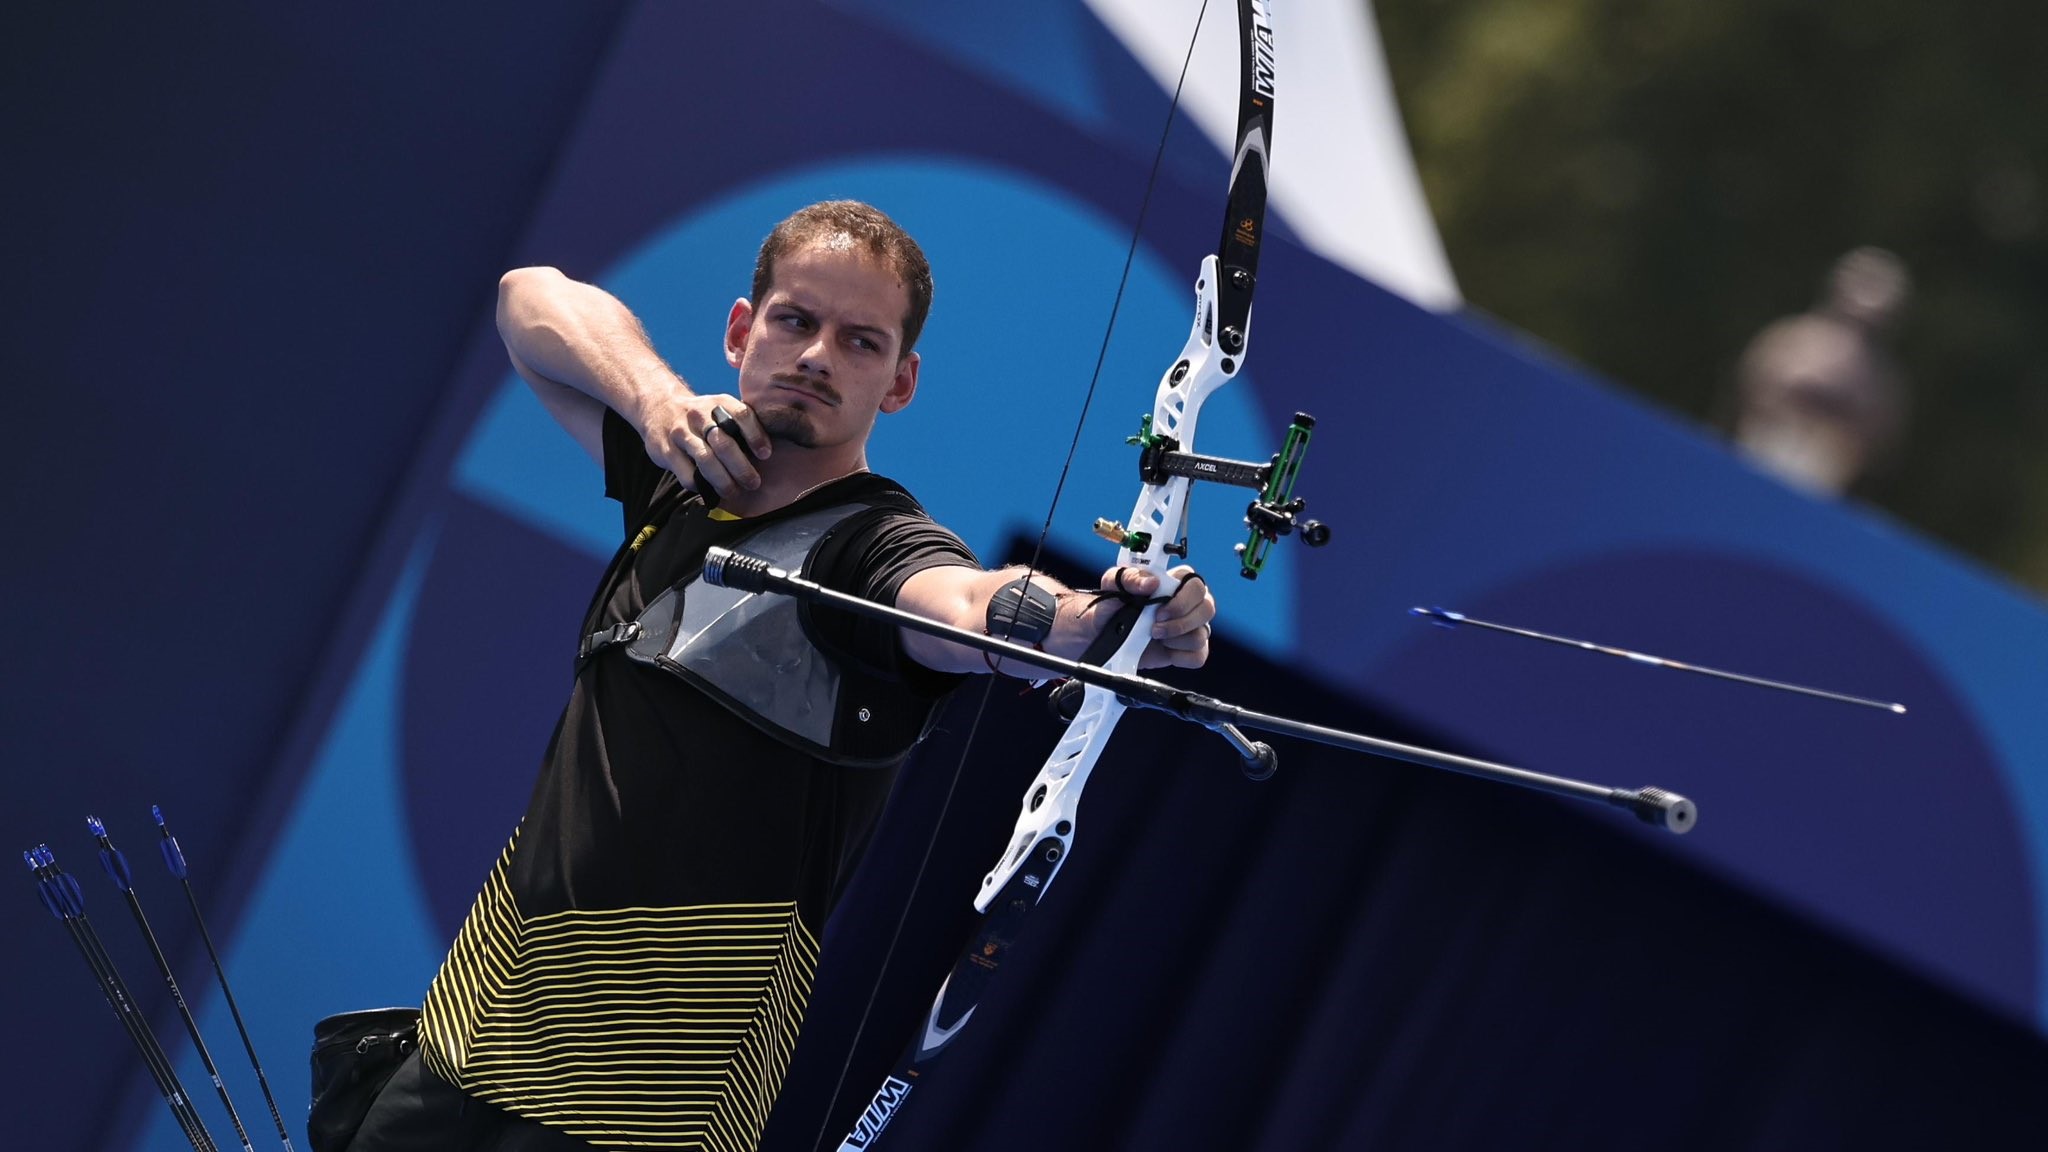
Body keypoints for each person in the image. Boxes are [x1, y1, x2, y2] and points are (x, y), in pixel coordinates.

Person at [345, 201, 1216, 1152]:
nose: (817, 356)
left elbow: (967, 608)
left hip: (652, 1107)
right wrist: (656, 403)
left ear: (900, 383)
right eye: (795, 321)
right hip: (476, 1034)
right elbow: (531, 301)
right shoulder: (684, 471)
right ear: (740, 331)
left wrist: (1101, 623)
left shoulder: (876, 546)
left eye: (860, 342)